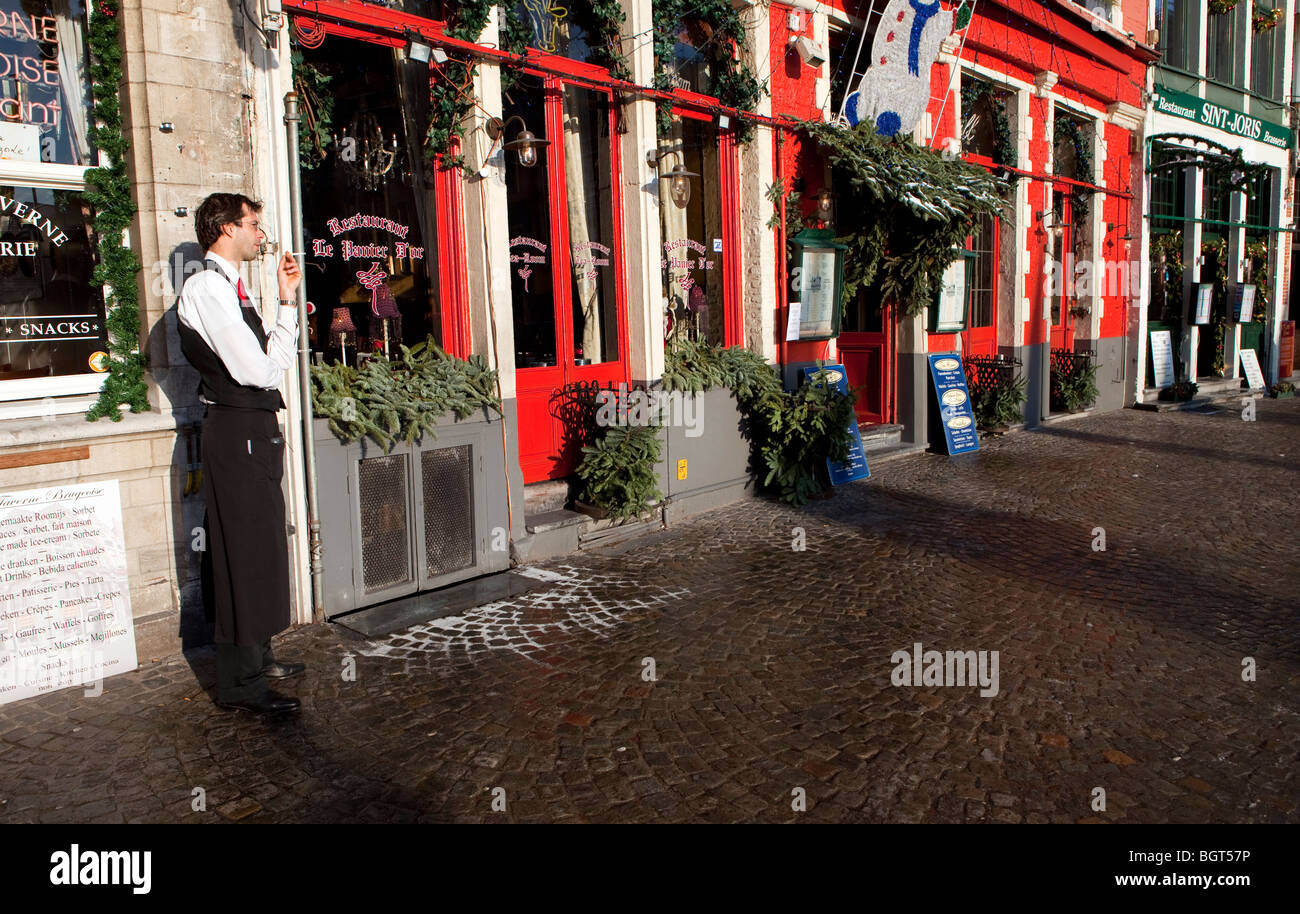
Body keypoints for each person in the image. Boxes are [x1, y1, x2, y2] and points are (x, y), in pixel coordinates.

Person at [178, 193, 306, 714]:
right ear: (227, 229)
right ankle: (240, 684)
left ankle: (260, 656)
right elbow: (258, 371)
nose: (261, 234)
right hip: (235, 431)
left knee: (262, 549)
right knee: (243, 555)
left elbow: (269, 364)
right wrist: (283, 328)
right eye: (254, 225)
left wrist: (286, 300)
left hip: (253, 429)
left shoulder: (232, 287)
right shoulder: (207, 287)